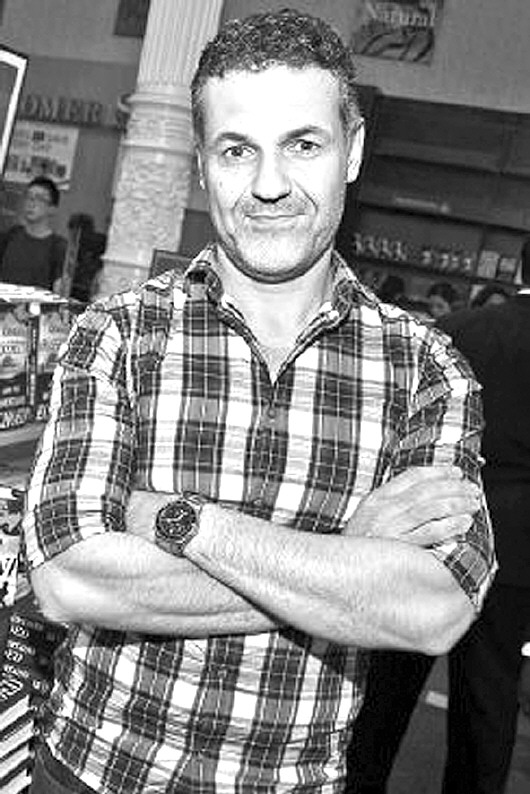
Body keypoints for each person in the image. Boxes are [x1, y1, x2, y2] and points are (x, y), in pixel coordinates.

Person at [22, 10, 495, 793]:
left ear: (353, 151)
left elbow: (434, 608)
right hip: (90, 774)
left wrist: (181, 521)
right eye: (237, 150)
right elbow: (70, 581)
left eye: (303, 145)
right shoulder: (118, 333)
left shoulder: (428, 368)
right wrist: (346, 561)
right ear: (202, 165)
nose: (269, 185)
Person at [347, 243, 530, 794]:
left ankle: (359, 782)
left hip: (435, 519)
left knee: (388, 683)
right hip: (519, 543)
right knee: (490, 694)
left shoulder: (460, 329)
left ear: (519, 266)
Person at [0, 176, 67, 291]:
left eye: (39, 199)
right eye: (29, 197)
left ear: (52, 209)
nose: (31, 203)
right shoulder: (12, 234)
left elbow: (60, 289)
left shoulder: (58, 246)